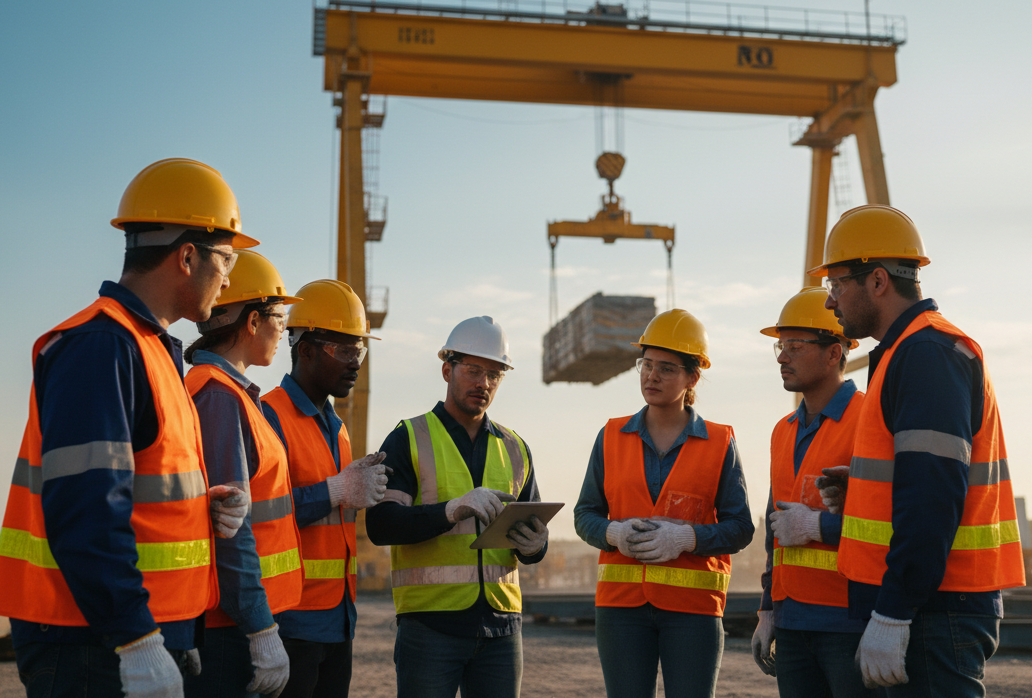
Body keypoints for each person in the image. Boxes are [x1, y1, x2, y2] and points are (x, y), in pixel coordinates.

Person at [0, 158, 260, 698]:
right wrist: (135, 638)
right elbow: (86, 508)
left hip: (130, 630)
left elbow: (130, 490)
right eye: (226, 258)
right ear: (187, 256)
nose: (229, 277)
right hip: (91, 641)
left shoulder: (149, 349)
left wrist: (200, 508)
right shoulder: (102, 346)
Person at [813, 204, 1024, 695]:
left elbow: (932, 494)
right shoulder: (909, 351)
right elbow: (920, 476)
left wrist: (894, 611)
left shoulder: (927, 354)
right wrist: (863, 490)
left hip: (935, 609)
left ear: (878, 280)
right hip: (930, 603)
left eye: (837, 283)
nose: (829, 300)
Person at [574, 309, 754, 698]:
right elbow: (584, 514)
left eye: (666, 368)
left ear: (693, 377)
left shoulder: (719, 443)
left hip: (693, 611)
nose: (651, 376)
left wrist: (687, 539)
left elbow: (740, 528)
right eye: (647, 364)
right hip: (621, 610)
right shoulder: (610, 436)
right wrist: (613, 533)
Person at [366, 316, 549, 698]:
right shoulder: (408, 438)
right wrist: (451, 511)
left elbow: (531, 532)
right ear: (447, 370)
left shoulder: (515, 448)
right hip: (430, 627)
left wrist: (536, 546)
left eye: (494, 374)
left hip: (502, 626)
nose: (484, 383)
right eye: (473, 370)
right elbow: (381, 525)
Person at [182, 249, 306, 698]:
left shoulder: (230, 394)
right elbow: (231, 527)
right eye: (280, 317)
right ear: (252, 321)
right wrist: (260, 630)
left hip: (233, 618)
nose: (283, 330)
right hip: (228, 626)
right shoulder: (219, 398)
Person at [260, 279, 390, 698]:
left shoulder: (337, 427)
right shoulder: (269, 415)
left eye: (359, 351)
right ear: (306, 350)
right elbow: (259, 516)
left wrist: (360, 492)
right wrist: (335, 491)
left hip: (338, 620)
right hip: (290, 621)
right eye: (344, 351)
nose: (355, 363)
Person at [748, 287, 877, 698]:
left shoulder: (869, 420)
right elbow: (774, 531)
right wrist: (768, 609)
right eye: (780, 347)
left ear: (834, 353)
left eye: (795, 346)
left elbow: (888, 522)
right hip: (791, 623)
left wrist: (818, 527)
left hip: (850, 622)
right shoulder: (782, 431)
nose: (782, 358)